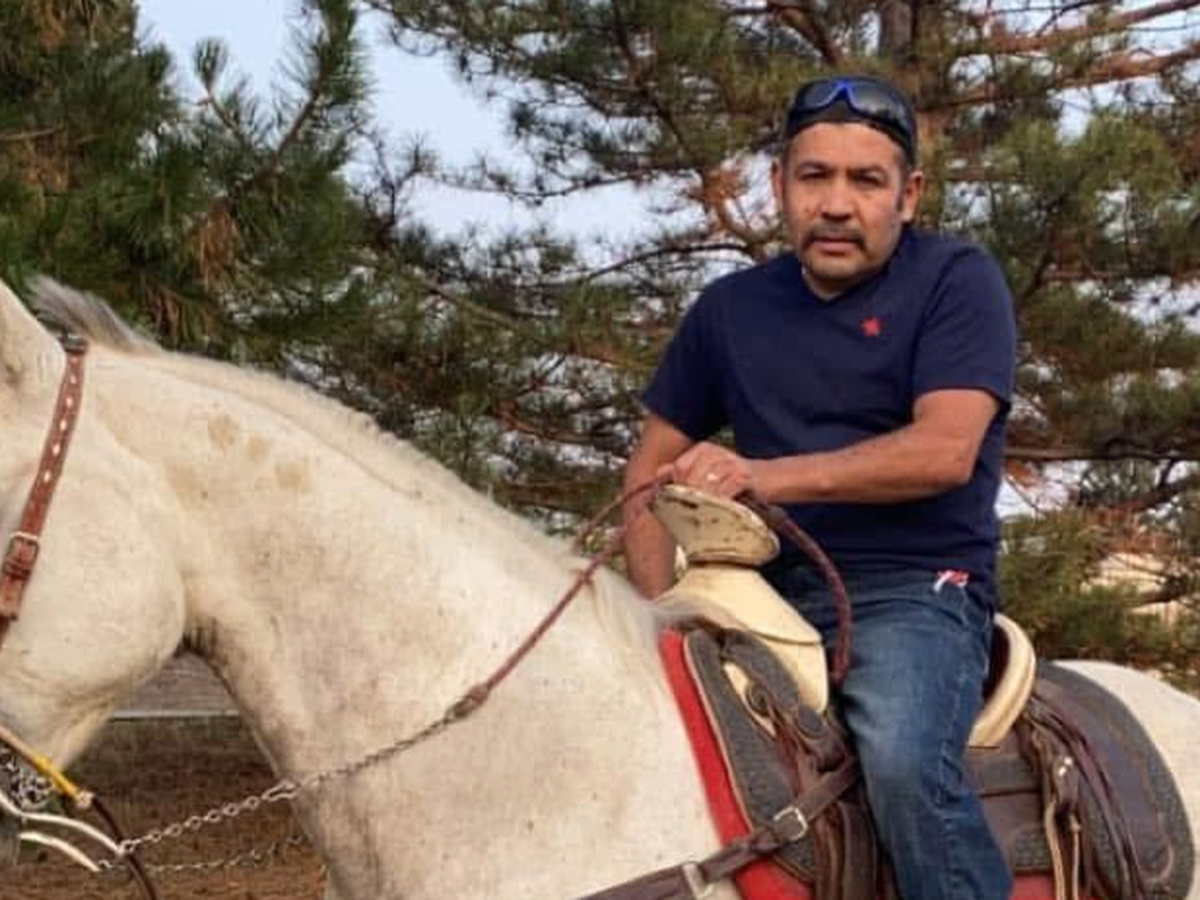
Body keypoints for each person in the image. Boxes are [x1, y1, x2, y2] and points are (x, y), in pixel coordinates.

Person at [622, 74, 1016, 900]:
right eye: (815, 176)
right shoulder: (730, 310)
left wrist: (760, 475)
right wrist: (653, 613)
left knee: (905, 763)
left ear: (909, 195)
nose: (837, 204)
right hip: (752, 589)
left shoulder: (956, 281)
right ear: (779, 186)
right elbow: (649, 470)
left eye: (866, 180)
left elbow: (945, 451)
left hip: (916, 592)